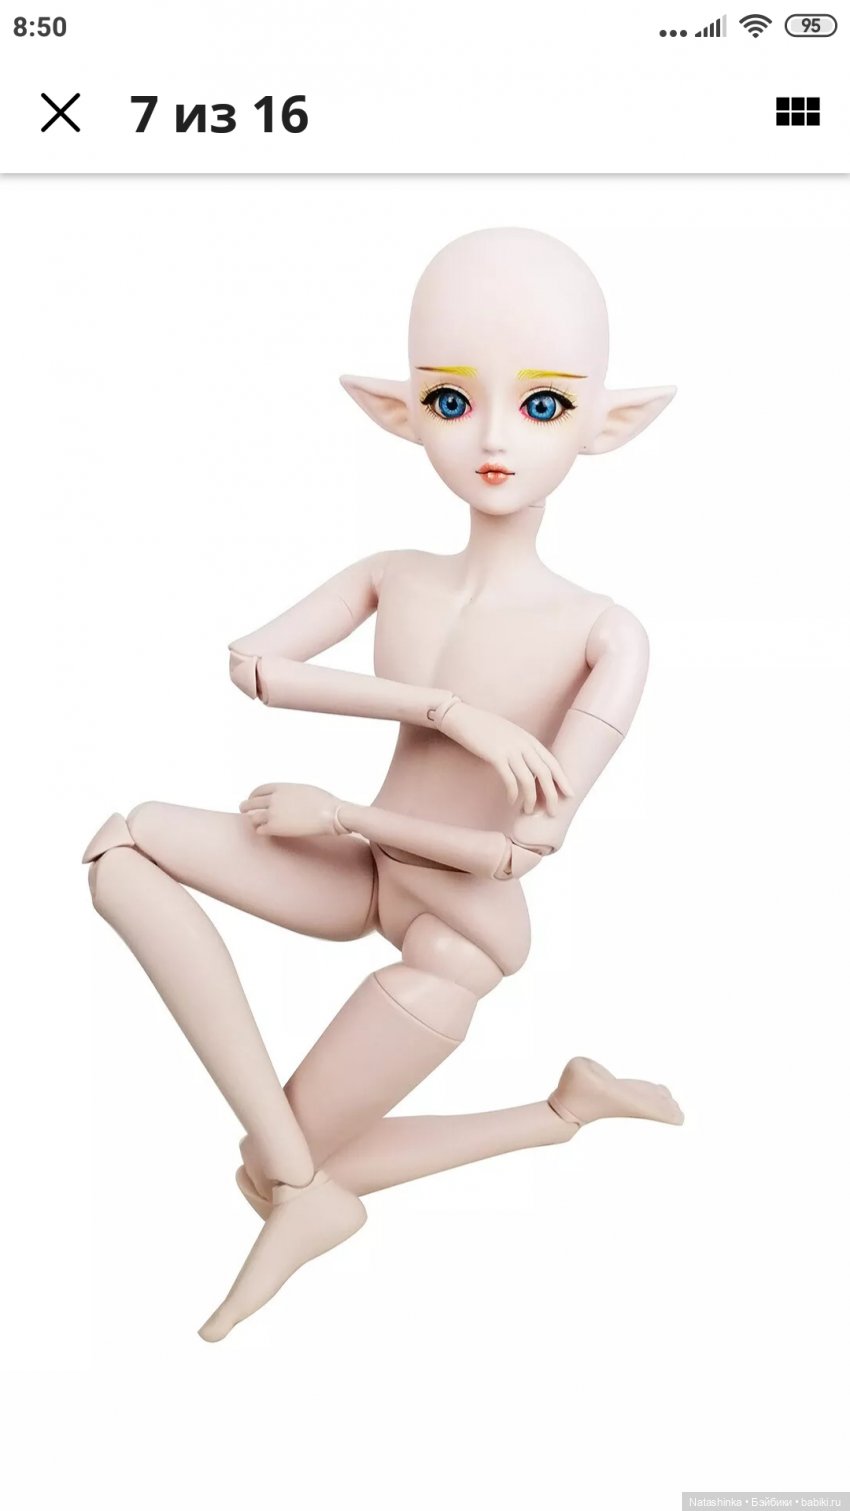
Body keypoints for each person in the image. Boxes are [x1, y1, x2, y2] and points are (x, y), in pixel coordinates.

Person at [84, 227, 682, 1342]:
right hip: (360, 869)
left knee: (272, 1163)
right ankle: (321, 1186)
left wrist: (345, 811)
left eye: (542, 406)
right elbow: (254, 663)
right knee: (124, 846)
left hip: (457, 928)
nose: (493, 438)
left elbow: (525, 848)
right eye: (452, 401)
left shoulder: (607, 633)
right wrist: (443, 710)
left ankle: (540, 1116)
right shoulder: (394, 575)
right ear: (400, 410)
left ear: (608, 421)